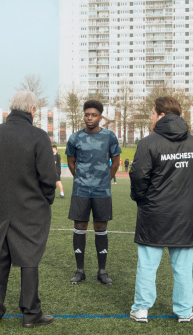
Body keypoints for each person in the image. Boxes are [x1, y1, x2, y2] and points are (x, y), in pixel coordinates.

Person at [128, 97, 193, 323]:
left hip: (154, 214)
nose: (151, 117)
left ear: (162, 116)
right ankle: (184, 311)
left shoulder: (148, 142)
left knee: (147, 264)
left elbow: (137, 177)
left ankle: (142, 309)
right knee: (182, 267)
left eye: (153, 113)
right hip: (183, 216)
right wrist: (185, 198)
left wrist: (143, 199)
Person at [0, 90, 55, 328]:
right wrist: (46, 199)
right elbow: (48, 178)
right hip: (32, 207)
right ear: (32, 110)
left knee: (0, 257)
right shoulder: (38, 136)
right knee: (29, 258)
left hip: (3, 207)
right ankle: (31, 313)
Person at [66, 99, 121, 285]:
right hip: (81, 190)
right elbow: (71, 162)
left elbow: (116, 161)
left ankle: (102, 271)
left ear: (100, 116)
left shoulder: (109, 136)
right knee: (80, 227)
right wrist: (81, 178)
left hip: (102, 191)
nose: (90, 118)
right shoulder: (75, 138)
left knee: (100, 228)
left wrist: (105, 179)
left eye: (94, 115)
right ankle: (80, 271)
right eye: (87, 114)